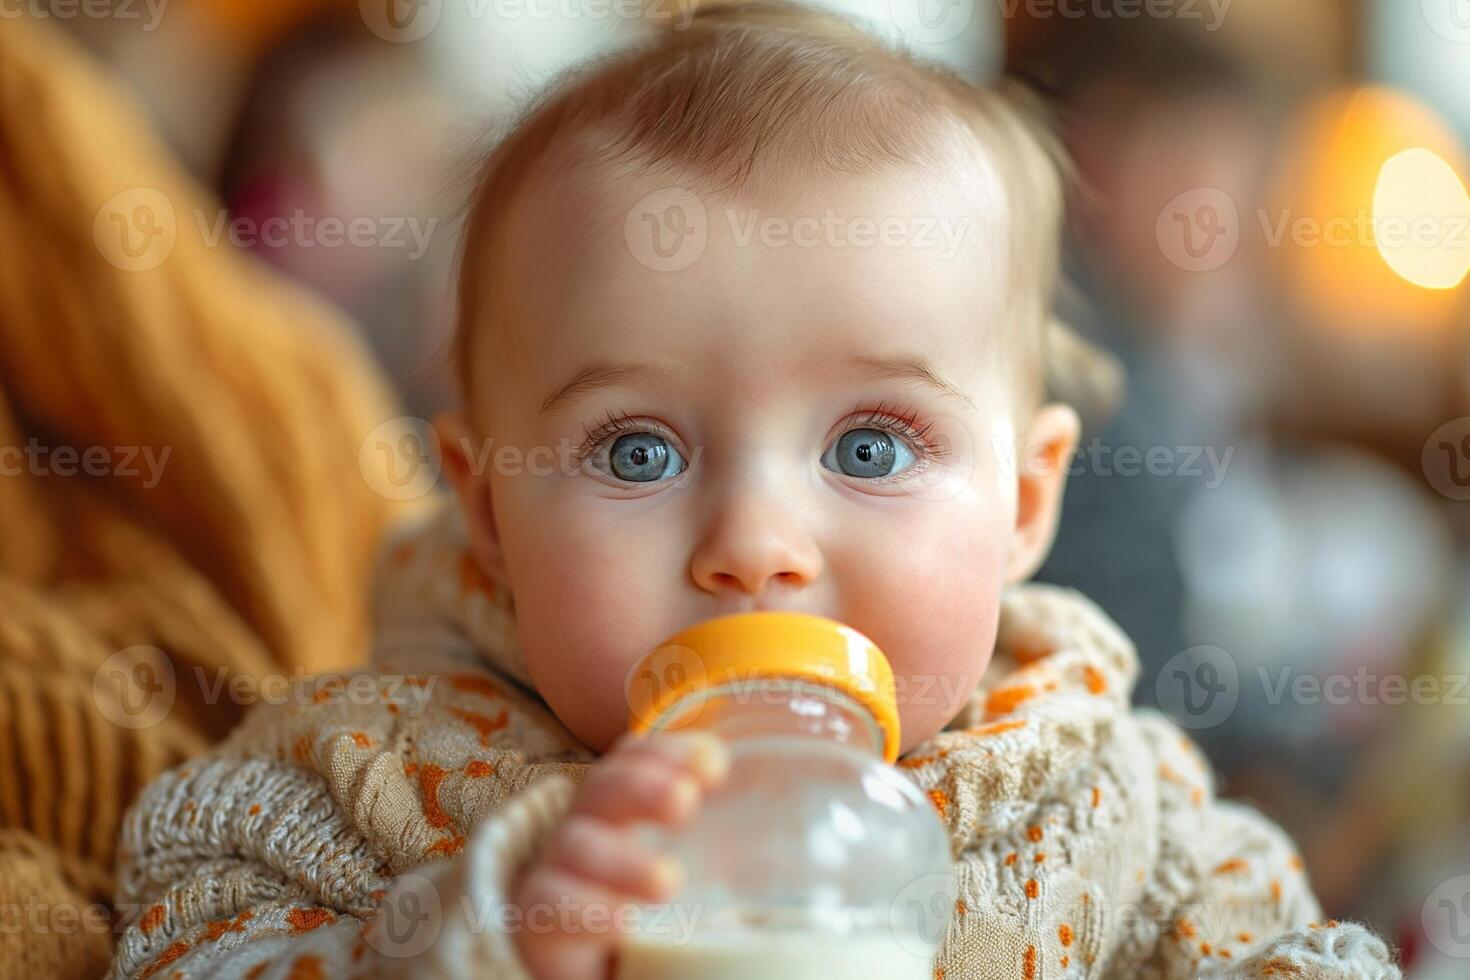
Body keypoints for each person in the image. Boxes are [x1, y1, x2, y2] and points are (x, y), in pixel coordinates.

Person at [108, 3, 1399, 977]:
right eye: (636, 452)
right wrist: (482, 930)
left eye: (871, 448)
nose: (756, 546)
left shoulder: (1118, 799)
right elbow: (181, 936)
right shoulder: (376, 774)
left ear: (1020, 505)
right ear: (490, 510)